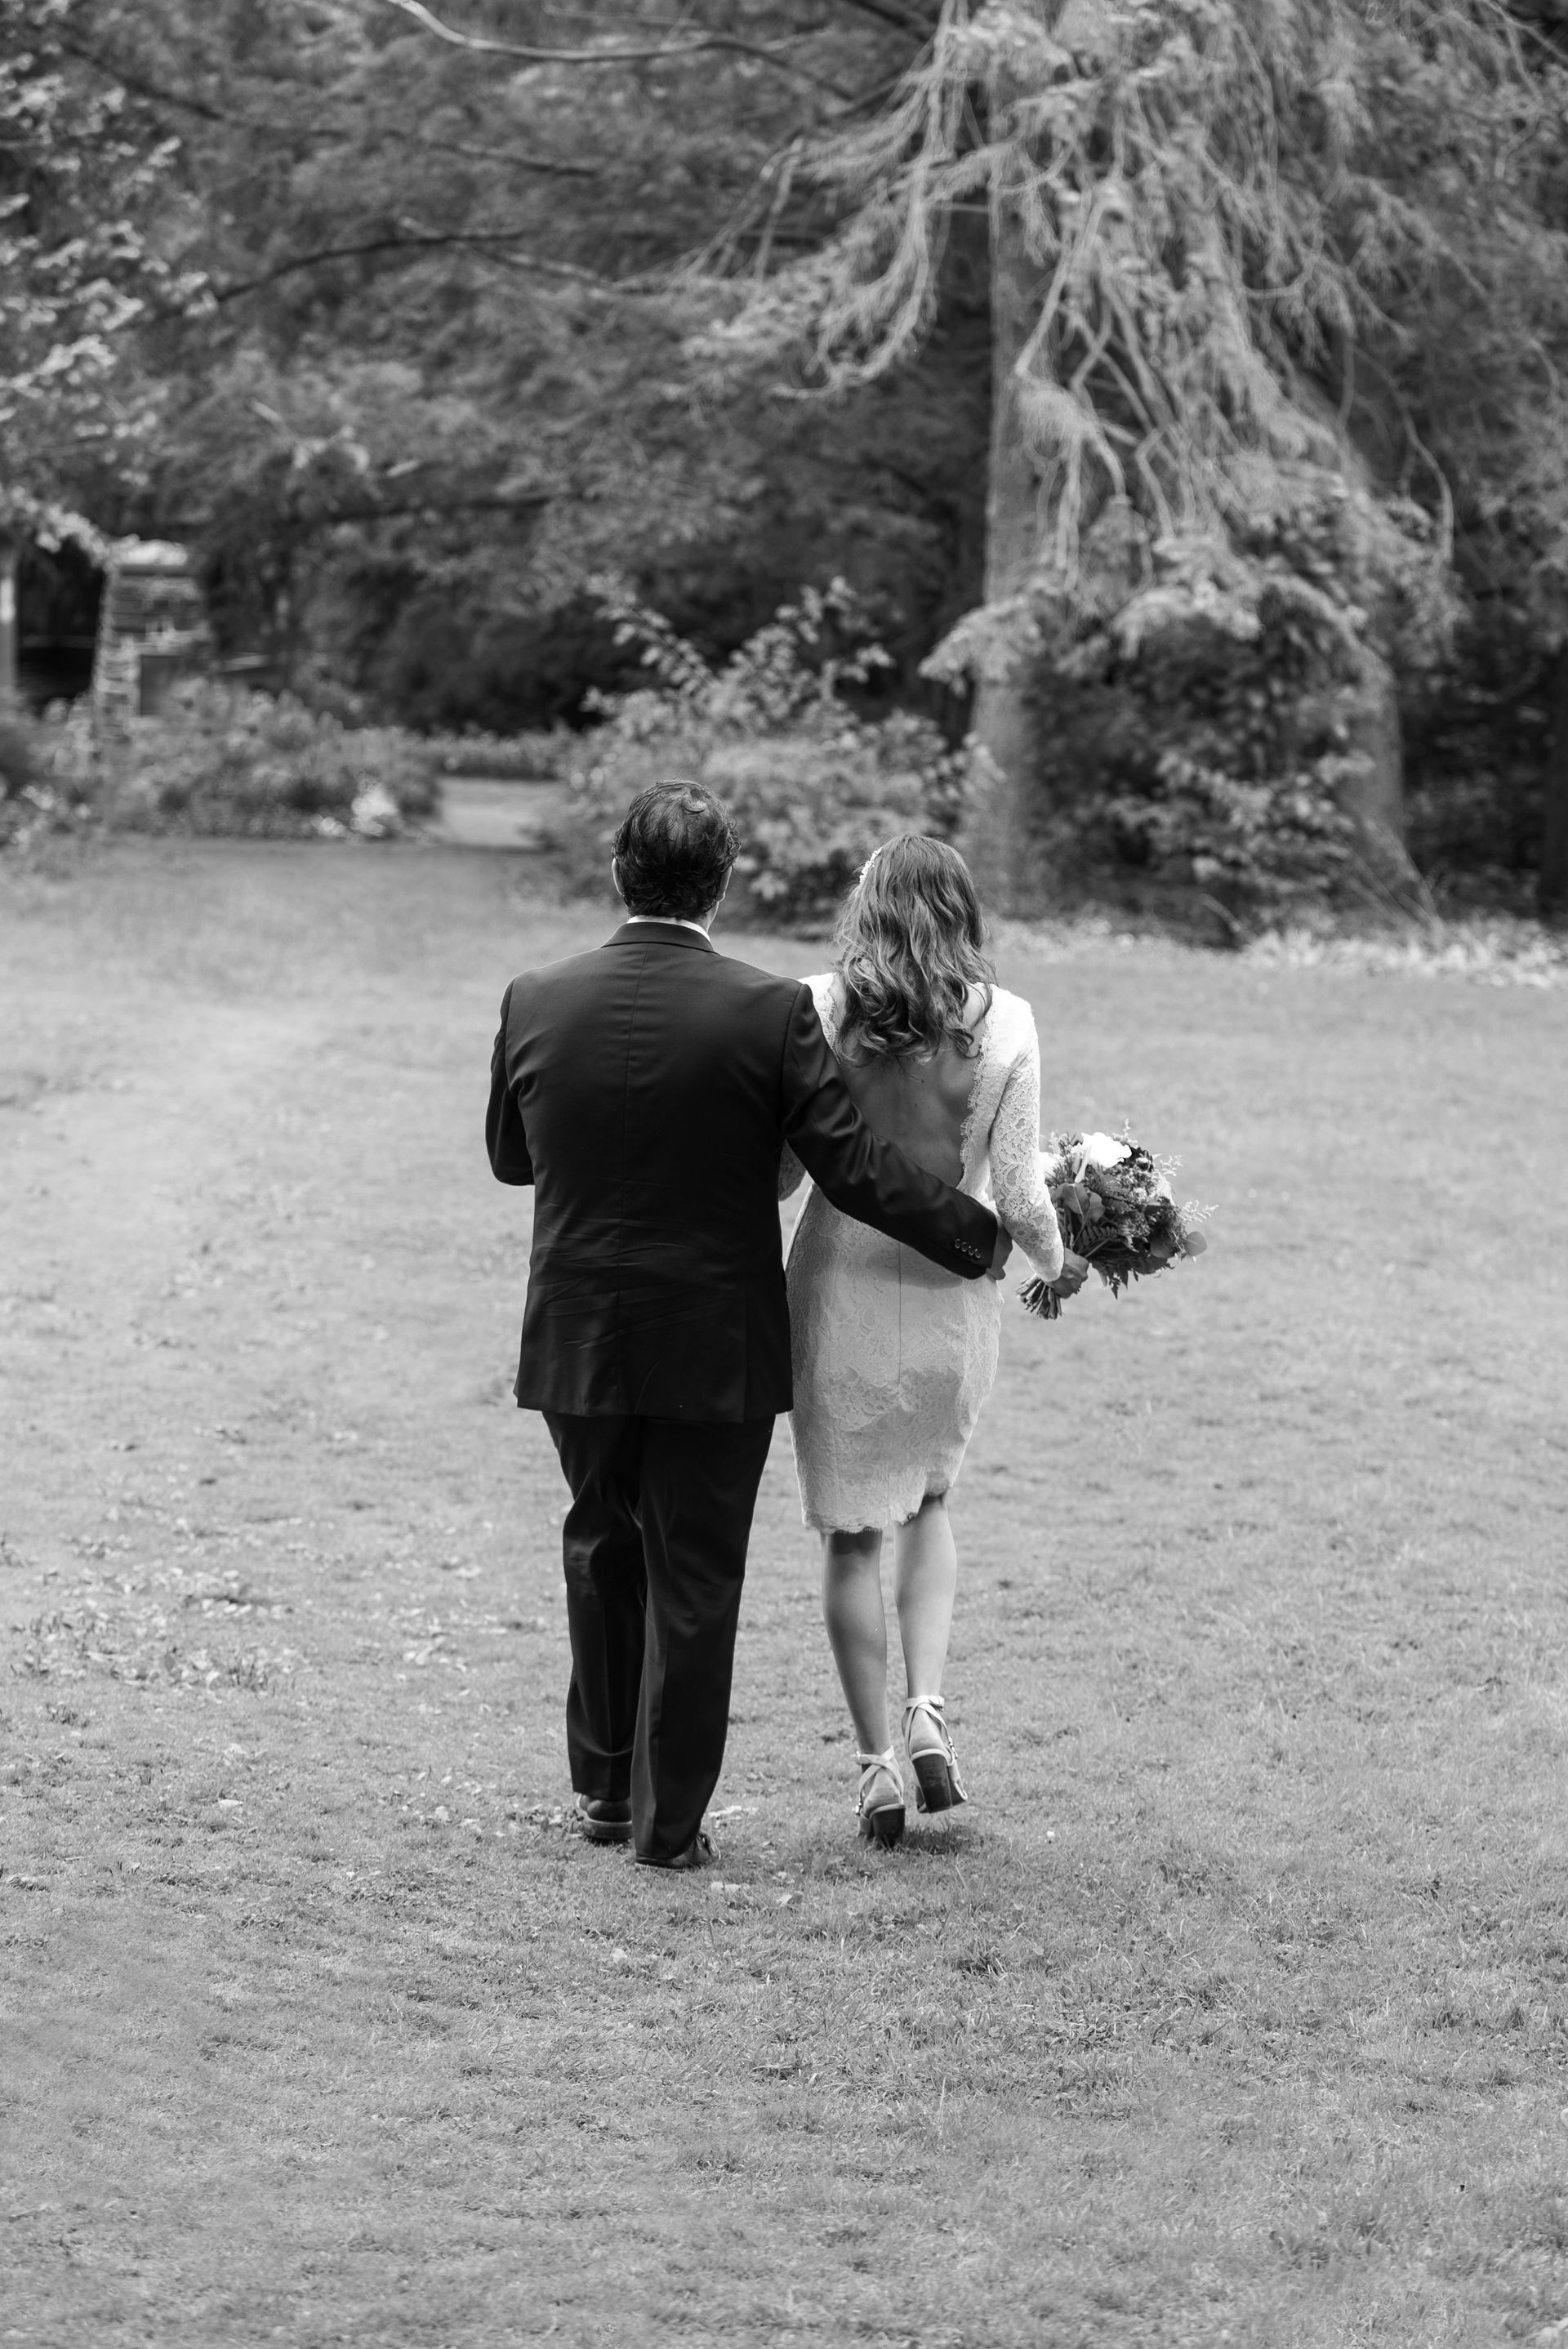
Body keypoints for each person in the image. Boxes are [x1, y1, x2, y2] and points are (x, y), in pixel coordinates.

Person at [486, 784, 1013, 1870]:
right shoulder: (767, 1012)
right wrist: (979, 1235)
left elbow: (512, 1153)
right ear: (723, 885)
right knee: (696, 1572)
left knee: (601, 1540)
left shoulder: (534, 997)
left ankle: (602, 1790)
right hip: (714, 1340)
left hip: (578, 1327)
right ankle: (666, 1825)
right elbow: (853, 1170)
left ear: (616, 874)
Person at [780, 836, 1087, 1847]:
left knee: (852, 1534)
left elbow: (788, 1177)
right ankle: (928, 1711)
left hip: (838, 1293)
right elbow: (1021, 1190)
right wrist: (1057, 1262)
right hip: (952, 1291)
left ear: (867, 905)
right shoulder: (1010, 1024)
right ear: (962, 910)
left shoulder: (817, 1008)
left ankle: (873, 1767)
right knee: (933, 1498)